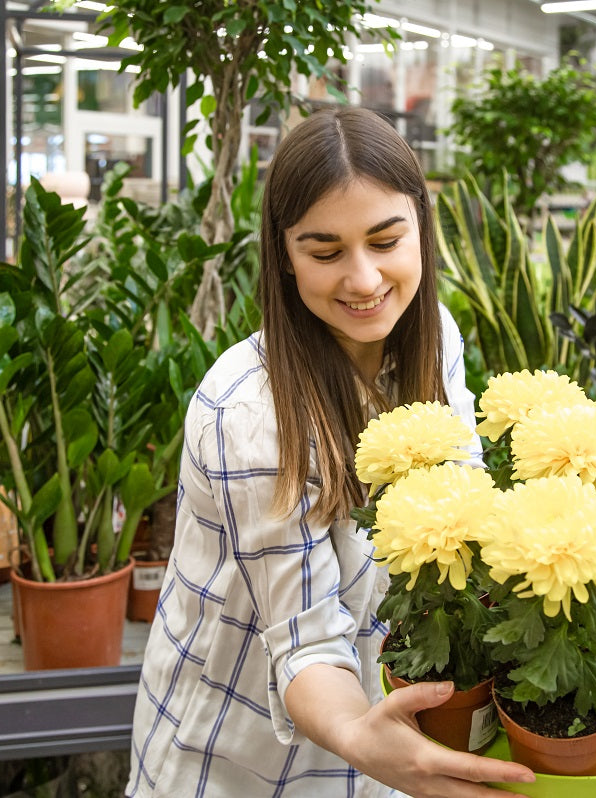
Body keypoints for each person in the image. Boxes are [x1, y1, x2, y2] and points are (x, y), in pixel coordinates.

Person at [126, 107, 536, 797]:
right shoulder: (250, 411)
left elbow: (466, 506)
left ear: (421, 234)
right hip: (237, 761)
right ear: (284, 257)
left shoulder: (433, 335)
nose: (365, 279)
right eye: (325, 252)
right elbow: (306, 640)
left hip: (380, 738)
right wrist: (360, 735)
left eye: (386, 241)